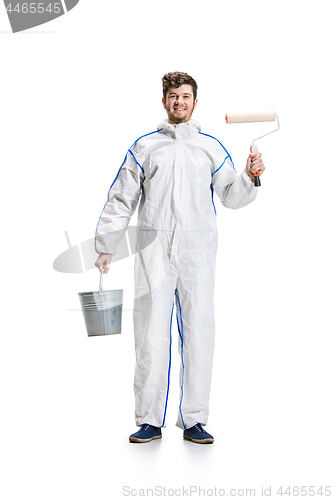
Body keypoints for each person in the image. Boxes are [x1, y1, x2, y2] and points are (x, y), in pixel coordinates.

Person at [95, 72, 265, 444]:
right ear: (164, 101)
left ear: (194, 102)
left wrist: (250, 177)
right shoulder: (145, 147)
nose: (179, 102)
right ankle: (149, 420)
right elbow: (121, 198)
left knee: (199, 332)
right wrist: (106, 245)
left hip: (198, 255)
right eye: (173, 96)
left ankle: (195, 419)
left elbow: (231, 197)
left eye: (185, 96)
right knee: (150, 335)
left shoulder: (210, 148)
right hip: (153, 254)